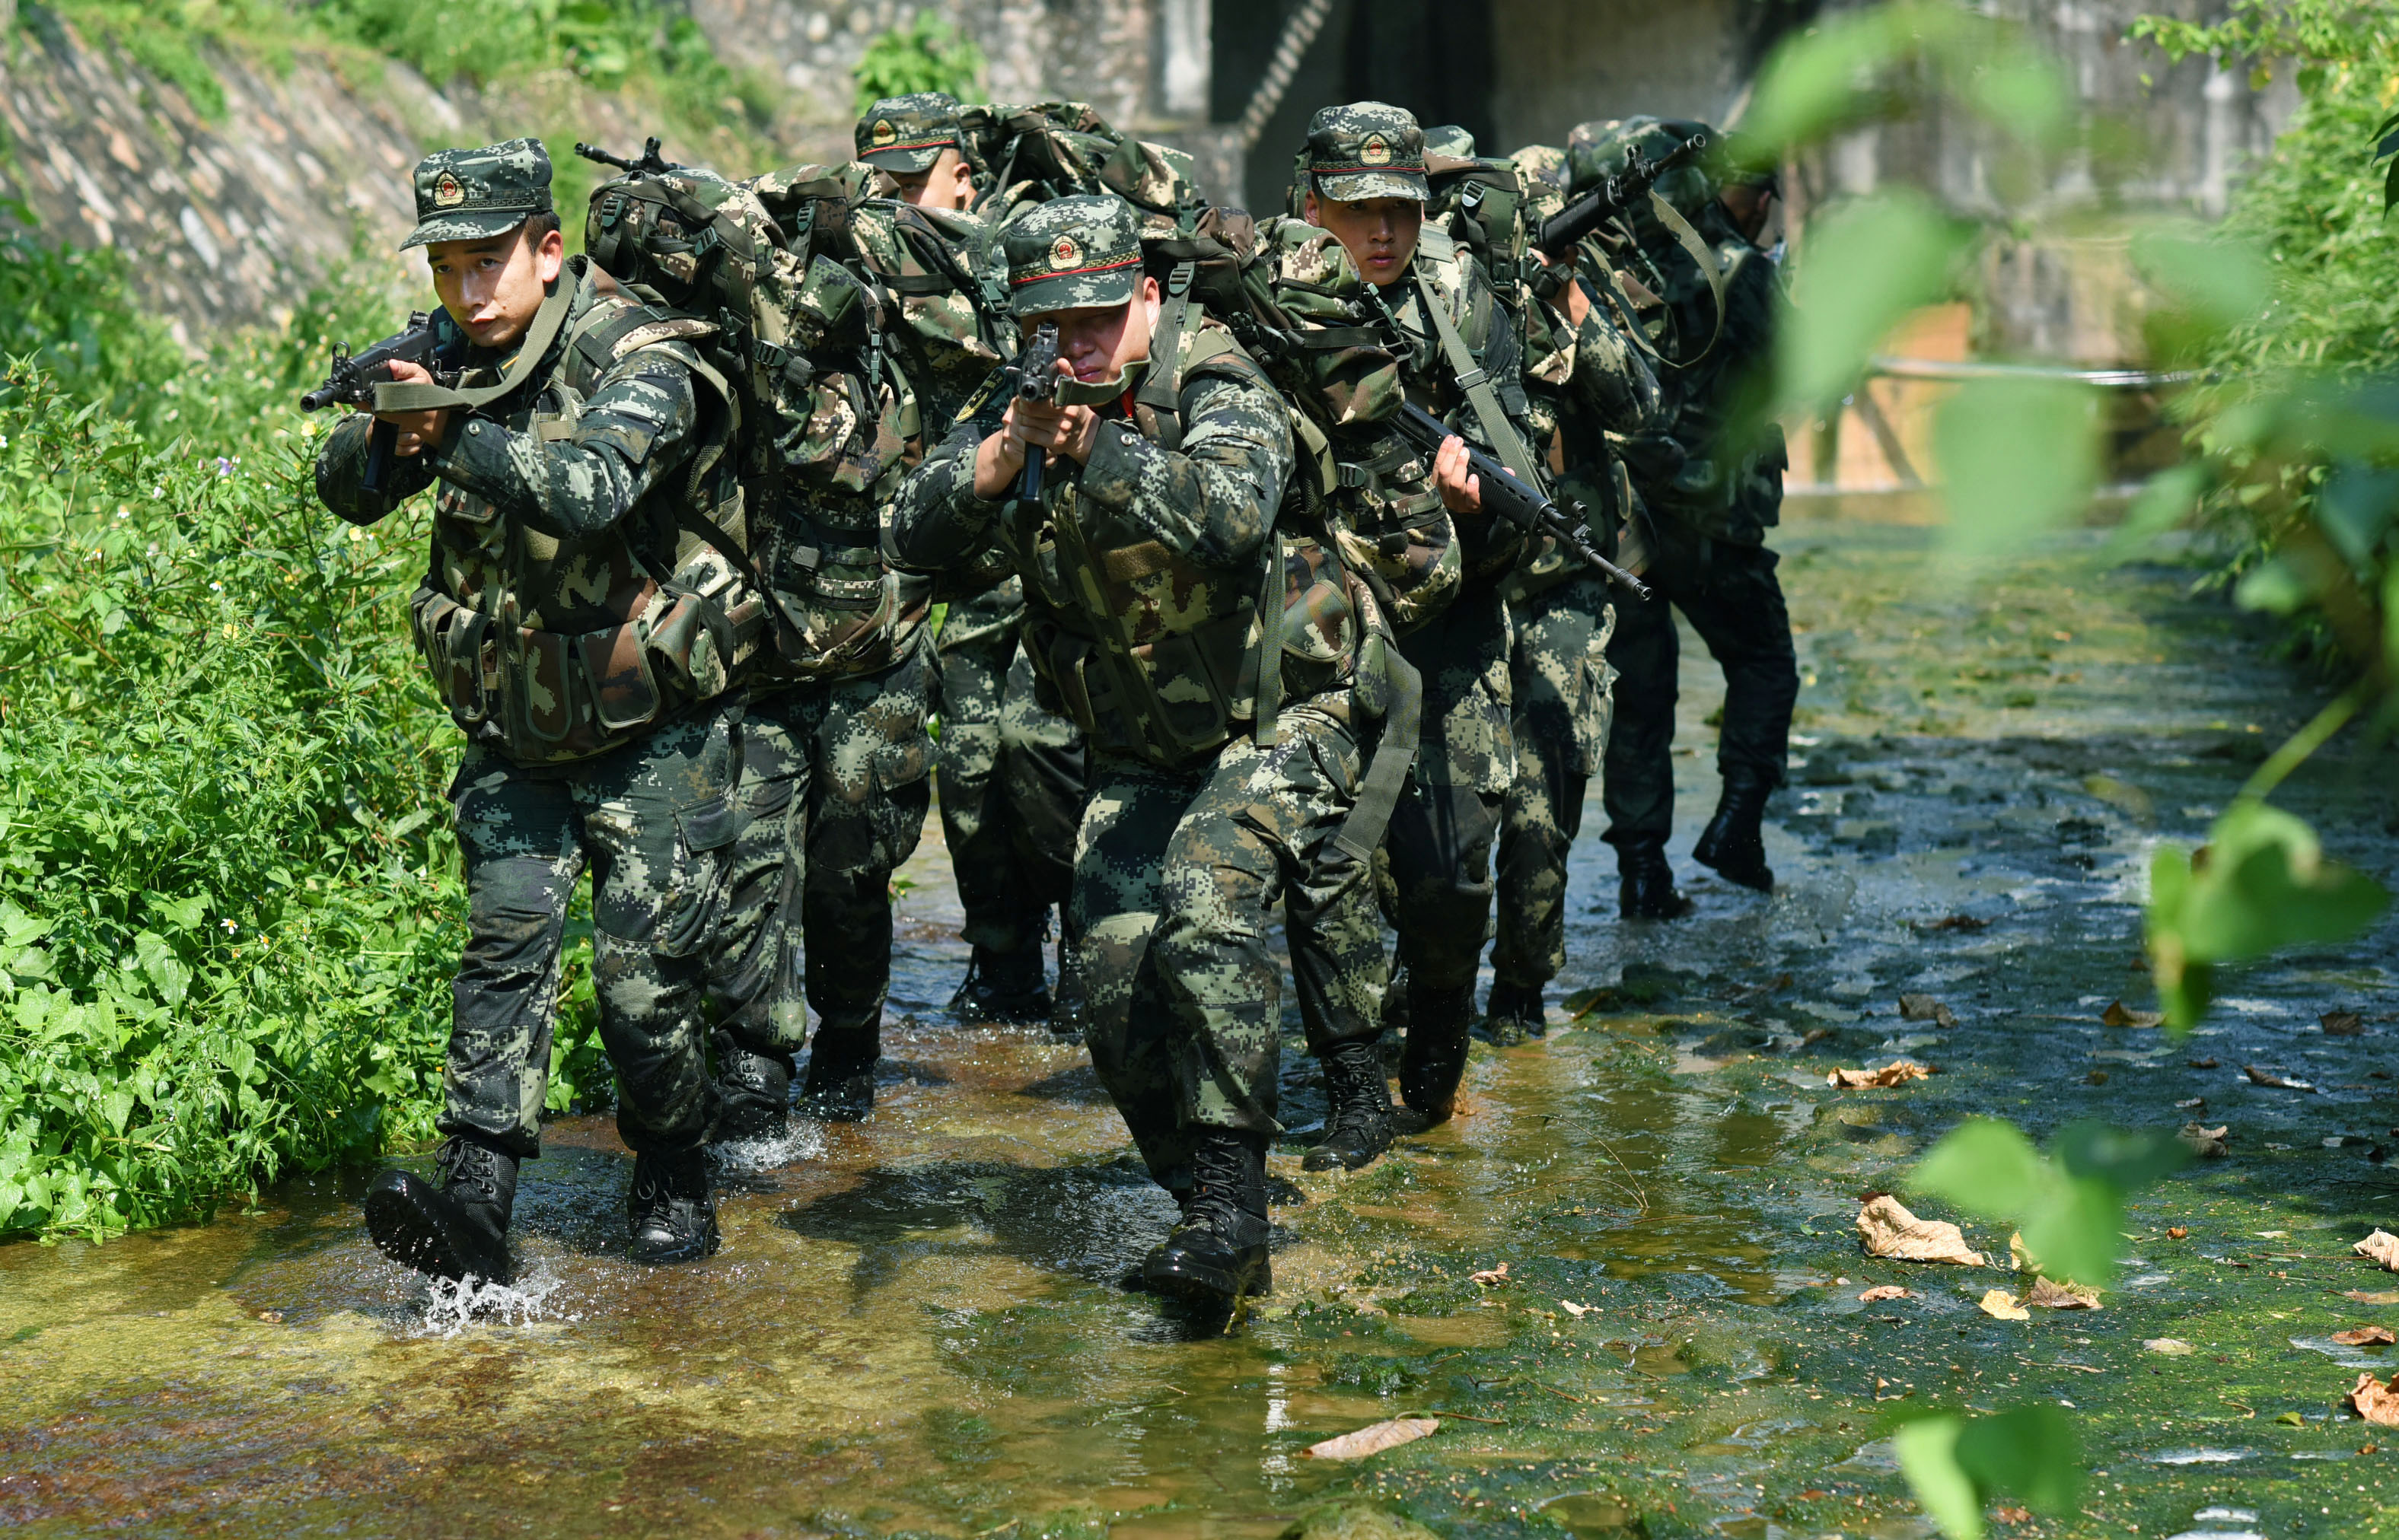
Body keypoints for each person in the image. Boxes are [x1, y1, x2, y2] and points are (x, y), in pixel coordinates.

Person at [888, 196, 1394, 1304]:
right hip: (1143, 745)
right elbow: (903, 534)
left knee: (1207, 906)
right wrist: (987, 467)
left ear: (1149, 300)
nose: (1075, 347)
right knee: (1110, 975)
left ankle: (1230, 1209)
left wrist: (1101, 448)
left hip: (1282, 718)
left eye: (1097, 320)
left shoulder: (1215, 380)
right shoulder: (1019, 404)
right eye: (1052, 325)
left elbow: (1233, 511)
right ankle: (1204, 1210)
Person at [320, 139, 757, 1276]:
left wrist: (453, 433)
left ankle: (672, 1162)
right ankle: (476, 1204)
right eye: (447, 269)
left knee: (640, 982)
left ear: (548, 249)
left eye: (488, 264)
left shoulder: (638, 351)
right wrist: (382, 432)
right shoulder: (443, 352)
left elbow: (599, 487)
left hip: (649, 731)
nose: (468, 293)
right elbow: (345, 492)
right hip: (515, 722)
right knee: (504, 945)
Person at [1273, 103, 1647, 1149]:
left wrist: (1463, 511)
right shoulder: (1270, 310)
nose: (1382, 232)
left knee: (1450, 875)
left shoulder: (1463, 304)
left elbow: (1523, 481)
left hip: (1455, 624)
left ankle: (1434, 1062)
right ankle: (1351, 1090)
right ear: (1312, 209)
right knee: (1330, 862)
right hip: (1321, 631)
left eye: (1401, 208)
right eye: (1357, 212)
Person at [856, 94, 1091, 1026]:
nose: (897, 205)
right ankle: (1001, 964)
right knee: (969, 770)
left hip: (1037, 548)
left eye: (915, 184)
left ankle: (1087, 938)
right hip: (943, 552)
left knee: (1051, 754)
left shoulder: (1009, 254)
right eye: (883, 187)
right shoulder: (876, 258)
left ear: (961, 172)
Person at [1573, 119, 1797, 917]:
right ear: (1744, 191)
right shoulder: (1734, 267)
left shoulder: (1619, 258)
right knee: (1765, 661)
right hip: (1712, 516)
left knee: (1638, 693)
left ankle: (1642, 874)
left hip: (1625, 517)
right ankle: (1735, 826)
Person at [1480, 137, 1660, 1040]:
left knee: (1540, 802)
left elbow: (1637, 408)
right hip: (1461, 588)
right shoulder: (1455, 299)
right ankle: (1412, 985)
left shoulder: (1585, 303)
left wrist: (1566, 296)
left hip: (1557, 592)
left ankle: (1519, 983)